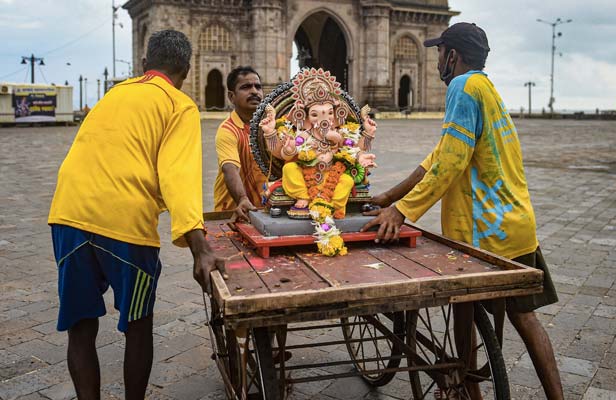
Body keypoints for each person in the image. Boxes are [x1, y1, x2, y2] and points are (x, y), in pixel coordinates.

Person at [362, 22, 564, 399]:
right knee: (526, 318)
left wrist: (402, 212)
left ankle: (469, 395)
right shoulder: (486, 89)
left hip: (481, 230)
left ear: (452, 56)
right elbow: (436, 158)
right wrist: (389, 198)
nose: (437, 59)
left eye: (440, 52)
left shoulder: (462, 87)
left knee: (463, 311)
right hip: (516, 225)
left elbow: (450, 162)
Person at [48, 30, 223, 400]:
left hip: (67, 213)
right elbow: (179, 175)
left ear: (144, 66)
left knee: (80, 327)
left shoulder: (115, 93)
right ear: (187, 72)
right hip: (124, 224)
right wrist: (199, 247)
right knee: (138, 324)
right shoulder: (178, 104)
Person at [259, 68, 377, 219]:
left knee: (347, 180)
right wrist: (285, 146)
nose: (324, 119)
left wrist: (366, 141)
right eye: (315, 114)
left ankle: (333, 205)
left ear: (335, 116)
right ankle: (304, 197)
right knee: (289, 168)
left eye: (329, 113)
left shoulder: (339, 134)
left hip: (331, 177)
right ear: (306, 117)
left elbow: (353, 148)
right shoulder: (303, 135)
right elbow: (284, 155)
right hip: (306, 177)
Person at [213, 66, 268, 221]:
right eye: (246, 87)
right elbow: (230, 168)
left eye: (258, 87)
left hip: (267, 213)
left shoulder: (271, 126)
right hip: (235, 213)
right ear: (231, 96)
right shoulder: (228, 130)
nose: (254, 92)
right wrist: (242, 198)